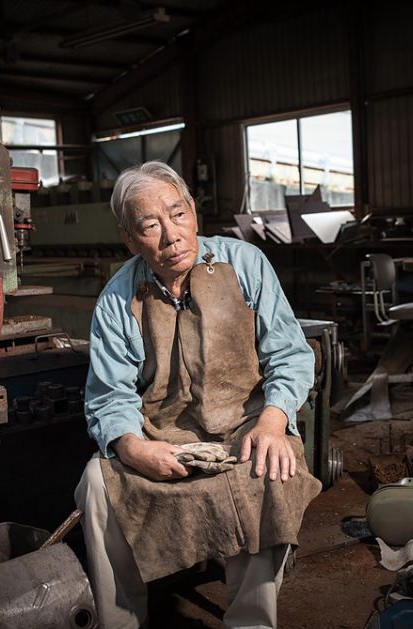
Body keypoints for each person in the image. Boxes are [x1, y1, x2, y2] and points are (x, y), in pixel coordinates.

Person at [74, 160, 321, 629]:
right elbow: (109, 395)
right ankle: (122, 623)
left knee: (268, 473)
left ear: (192, 211)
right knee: (96, 484)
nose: (171, 236)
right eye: (150, 225)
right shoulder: (116, 298)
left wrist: (273, 420)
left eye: (178, 215)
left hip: (248, 425)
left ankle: (250, 623)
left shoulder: (247, 264)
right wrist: (133, 447)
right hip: (163, 436)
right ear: (130, 238)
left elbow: (290, 355)